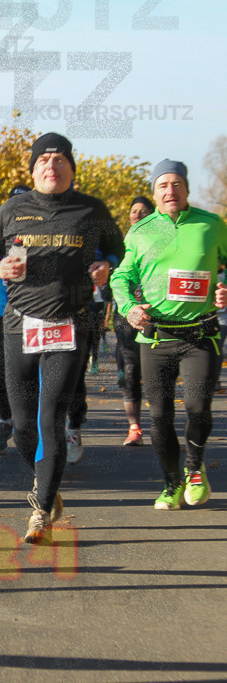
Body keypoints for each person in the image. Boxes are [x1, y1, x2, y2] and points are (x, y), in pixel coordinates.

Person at [0, 132, 124, 544]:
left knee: (50, 420)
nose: (51, 166)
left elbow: (118, 248)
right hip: (18, 324)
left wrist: (106, 265)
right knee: (23, 427)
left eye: (60, 159)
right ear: (34, 168)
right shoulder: (12, 209)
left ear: (71, 169)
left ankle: (40, 511)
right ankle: (48, 486)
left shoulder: (91, 209)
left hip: (69, 324)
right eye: (44, 159)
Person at [110, 159, 227, 511]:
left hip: (200, 334)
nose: (170, 191)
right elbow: (121, 278)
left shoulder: (212, 225)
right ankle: (171, 483)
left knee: (197, 407)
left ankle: (194, 468)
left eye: (176, 184)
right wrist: (129, 306)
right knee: (159, 416)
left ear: (187, 189)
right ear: (155, 192)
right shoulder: (141, 230)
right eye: (162, 185)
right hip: (156, 337)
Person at [0, 185, 30, 455]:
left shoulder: (41, 232)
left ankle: (37, 427)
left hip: (36, 312)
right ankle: (6, 421)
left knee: (33, 375)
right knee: (2, 377)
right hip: (1, 312)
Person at [113, 195, 155, 446]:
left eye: (143, 211)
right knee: (131, 370)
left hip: (156, 316)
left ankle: (161, 421)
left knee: (155, 373)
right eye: (133, 211)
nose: (137, 215)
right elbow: (115, 276)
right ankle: (134, 427)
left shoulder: (164, 242)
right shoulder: (122, 243)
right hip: (127, 314)